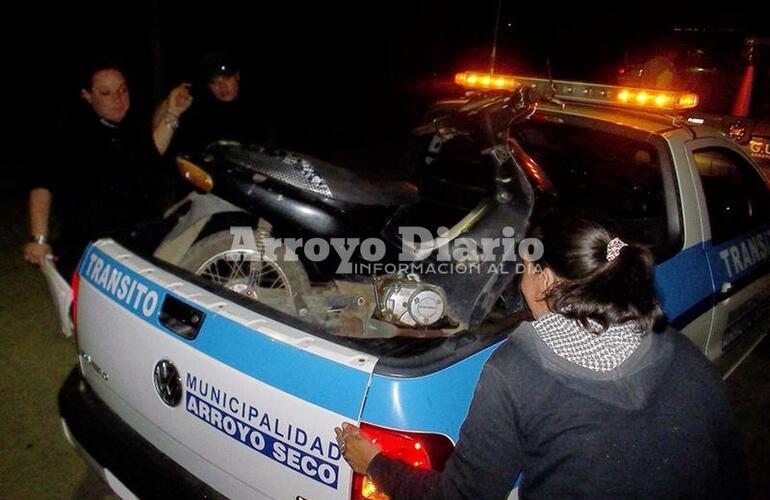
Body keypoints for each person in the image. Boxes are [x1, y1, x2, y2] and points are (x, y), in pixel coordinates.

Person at [335, 212, 747, 499]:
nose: (521, 278)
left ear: (545, 277)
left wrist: (375, 464)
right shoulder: (680, 352)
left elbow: (463, 496)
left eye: (525, 268)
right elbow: (730, 473)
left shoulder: (518, 371)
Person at [23, 57, 192, 277]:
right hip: (95, 249)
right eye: (106, 93)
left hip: (142, 238)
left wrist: (171, 111)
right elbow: (42, 185)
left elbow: (149, 150)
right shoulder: (68, 135)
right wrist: (39, 239)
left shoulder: (128, 125)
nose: (118, 99)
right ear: (87, 95)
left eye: (122, 90)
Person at [163, 51, 277, 153]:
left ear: (237, 76)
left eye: (226, 78)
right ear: (208, 86)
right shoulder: (199, 114)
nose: (222, 86)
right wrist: (169, 104)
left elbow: (271, 150)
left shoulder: (258, 110)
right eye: (214, 82)